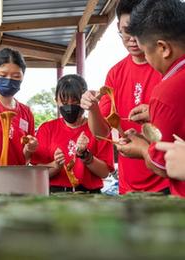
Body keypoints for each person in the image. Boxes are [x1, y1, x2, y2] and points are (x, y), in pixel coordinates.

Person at [80, 0, 169, 194]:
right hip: (128, 185)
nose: (131, 38)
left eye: (138, 29)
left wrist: (156, 113)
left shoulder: (167, 65)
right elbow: (102, 132)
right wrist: (92, 108)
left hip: (167, 179)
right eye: (125, 31)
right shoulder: (115, 73)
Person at [115, 0, 185, 197]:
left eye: (146, 53)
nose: (146, 59)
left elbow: (163, 164)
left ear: (163, 48)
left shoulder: (167, 91)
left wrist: (143, 149)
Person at [31, 75, 114, 193]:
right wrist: (56, 165)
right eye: (64, 102)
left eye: (75, 101)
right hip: (56, 194)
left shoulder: (99, 128)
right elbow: (37, 172)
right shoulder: (47, 129)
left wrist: (86, 156)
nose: (69, 106)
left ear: (84, 100)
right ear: (56, 101)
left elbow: (104, 172)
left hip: (89, 195)